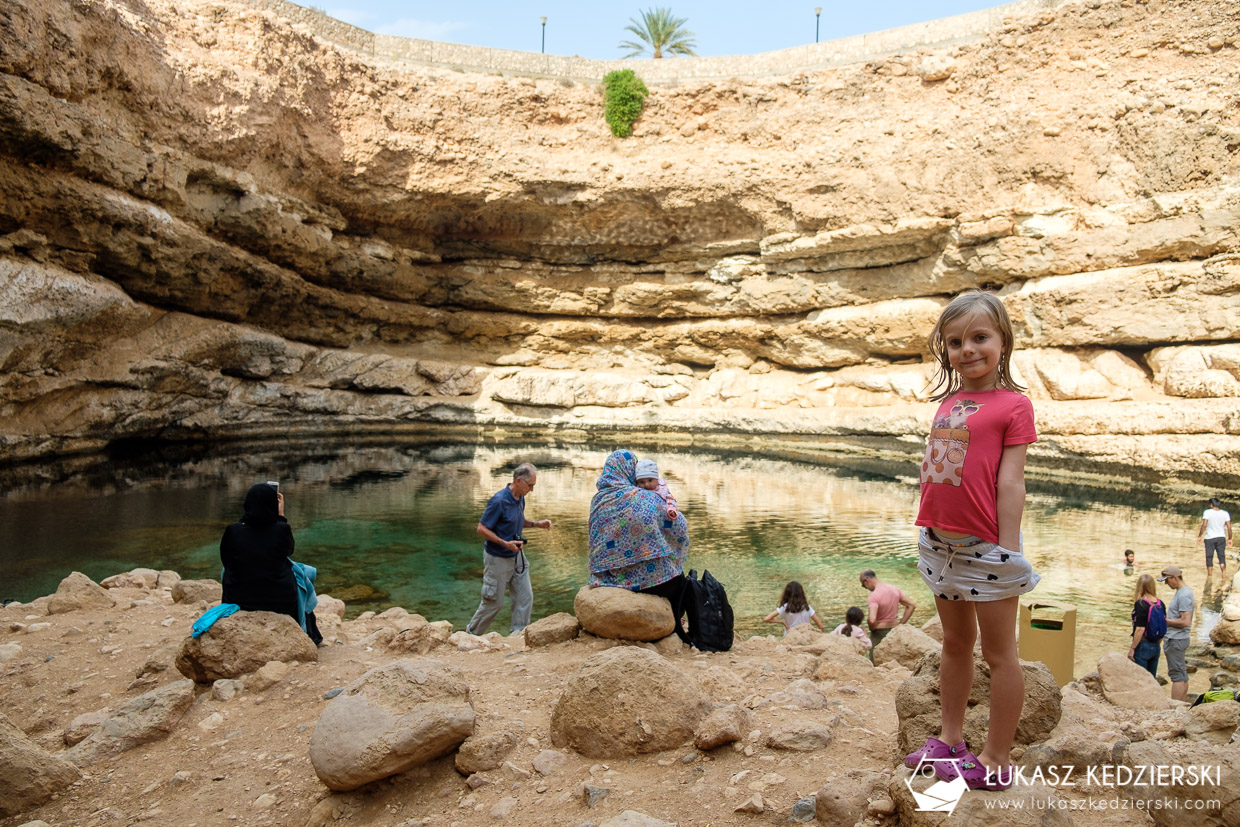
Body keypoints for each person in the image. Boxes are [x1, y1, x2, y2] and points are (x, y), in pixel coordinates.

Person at [903, 290, 1040, 792]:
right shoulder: (949, 402)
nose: (968, 349)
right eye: (956, 341)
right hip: (940, 542)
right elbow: (934, 468)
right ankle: (951, 740)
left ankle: (997, 758)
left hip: (986, 547)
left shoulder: (1015, 405)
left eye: (980, 337)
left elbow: (1010, 481)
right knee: (956, 644)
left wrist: (1008, 550)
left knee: (1001, 654)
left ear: (1003, 341)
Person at [588, 450, 691, 641]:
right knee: (679, 577)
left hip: (608, 577)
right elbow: (679, 528)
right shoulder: (643, 496)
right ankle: (676, 627)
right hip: (650, 582)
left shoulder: (598, 500)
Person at [220, 482, 321, 643]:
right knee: (301, 572)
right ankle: (310, 633)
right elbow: (288, 551)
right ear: (273, 505)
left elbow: (226, 561)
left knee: (227, 572)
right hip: (280, 602)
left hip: (239, 600)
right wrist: (280, 516)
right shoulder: (281, 530)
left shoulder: (233, 531)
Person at [465, 464, 552, 637]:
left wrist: (537, 524)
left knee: (525, 597)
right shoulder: (499, 501)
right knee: (493, 602)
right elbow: (481, 529)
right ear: (518, 481)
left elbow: (517, 521)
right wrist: (505, 543)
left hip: (517, 556)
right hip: (497, 558)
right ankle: (470, 635)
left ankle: (518, 635)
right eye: (530, 485)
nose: (532, 490)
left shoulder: (520, 497)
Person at [1159, 565, 1195, 702]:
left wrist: (1164, 621)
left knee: (1176, 676)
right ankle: (1182, 706)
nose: (1166, 584)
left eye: (1167, 580)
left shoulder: (1184, 594)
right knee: (1182, 674)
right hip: (1178, 639)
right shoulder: (1183, 592)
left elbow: (1185, 621)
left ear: (1175, 578)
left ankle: (1175, 708)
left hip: (1176, 639)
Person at [859, 570, 915, 647]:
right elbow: (911, 605)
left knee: (876, 658)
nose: (865, 588)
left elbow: (872, 620)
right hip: (894, 631)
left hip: (879, 633)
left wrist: (872, 628)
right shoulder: (894, 589)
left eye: (863, 585)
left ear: (867, 580)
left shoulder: (874, 596)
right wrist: (901, 624)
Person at [1127, 574, 1162, 678]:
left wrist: (1132, 648)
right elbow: (1163, 626)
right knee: (1151, 680)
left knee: (1139, 680)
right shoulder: (1160, 603)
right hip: (1156, 646)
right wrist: (1156, 643)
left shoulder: (1141, 604)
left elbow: (1140, 629)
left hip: (1143, 646)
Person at [1197, 498, 1232, 579]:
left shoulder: (1207, 512)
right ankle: (1223, 576)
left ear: (1211, 505)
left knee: (1209, 557)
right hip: (1221, 537)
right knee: (1221, 557)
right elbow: (1229, 527)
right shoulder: (1225, 513)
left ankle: (1209, 577)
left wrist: (1200, 536)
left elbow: (1204, 525)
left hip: (1210, 538)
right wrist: (1230, 539)